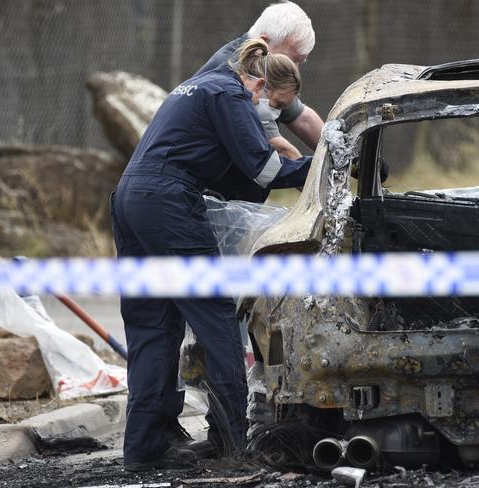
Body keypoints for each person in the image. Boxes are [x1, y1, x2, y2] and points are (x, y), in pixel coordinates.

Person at [111, 38, 312, 472]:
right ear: (258, 82)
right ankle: (231, 442)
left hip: (129, 199)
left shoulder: (200, 85)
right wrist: (327, 164)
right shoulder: (231, 93)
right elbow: (264, 169)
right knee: (217, 317)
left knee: (154, 324)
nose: (271, 114)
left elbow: (235, 180)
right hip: (165, 201)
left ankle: (145, 448)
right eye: (273, 104)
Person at [195, 1, 323, 203]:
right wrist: (327, 200)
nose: (295, 69)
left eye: (299, 62)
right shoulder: (238, 76)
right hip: (207, 194)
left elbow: (302, 117)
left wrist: (351, 156)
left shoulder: (260, 64)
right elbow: (279, 150)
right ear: (264, 42)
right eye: (292, 60)